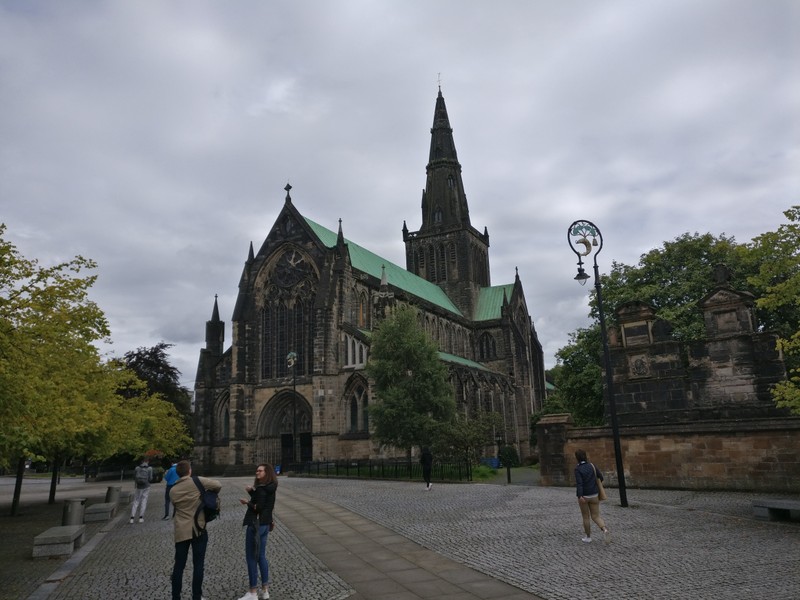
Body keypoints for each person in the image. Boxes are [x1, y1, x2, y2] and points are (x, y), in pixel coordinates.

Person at [169, 460, 222, 600]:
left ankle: (175, 597)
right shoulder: (196, 481)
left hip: (181, 531)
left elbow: (176, 505)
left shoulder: (172, 490)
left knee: (179, 566)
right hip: (198, 529)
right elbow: (218, 485)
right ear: (189, 471)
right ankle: (197, 596)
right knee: (198, 565)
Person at [237, 463, 278, 600]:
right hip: (265, 524)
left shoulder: (262, 489)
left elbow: (258, 507)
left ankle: (253, 592)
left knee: (251, 557)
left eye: (260, 471)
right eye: (257, 470)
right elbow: (265, 501)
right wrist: (251, 492)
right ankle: (265, 591)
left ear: (267, 473)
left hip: (255, 524)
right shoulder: (270, 487)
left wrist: (246, 502)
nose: (257, 472)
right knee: (261, 556)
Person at [574, 448, 610, 543]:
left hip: (584, 496)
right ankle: (605, 529)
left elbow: (579, 483)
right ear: (585, 456)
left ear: (577, 458)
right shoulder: (592, 465)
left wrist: (580, 495)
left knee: (586, 517)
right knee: (596, 516)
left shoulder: (578, 469)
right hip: (594, 495)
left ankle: (588, 537)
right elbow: (600, 477)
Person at [130, 458, 153, 524]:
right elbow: (150, 478)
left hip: (138, 486)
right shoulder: (149, 468)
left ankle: (132, 518)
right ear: (148, 461)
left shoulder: (137, 468)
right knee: (144, 501)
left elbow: (134, 477)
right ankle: (141, 517)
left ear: (141, 461)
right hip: (146, 486)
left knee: (136, 501)